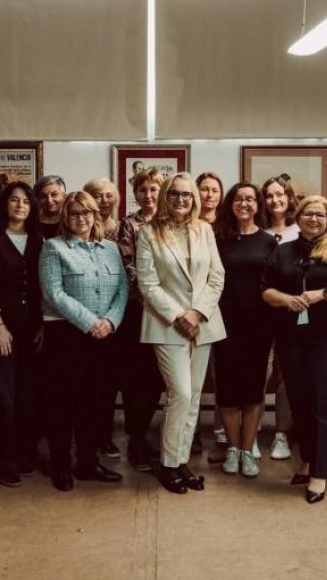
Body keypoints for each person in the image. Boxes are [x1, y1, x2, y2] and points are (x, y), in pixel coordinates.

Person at [262, 196, 327, 504]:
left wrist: (323, 294)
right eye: (308, 213)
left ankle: (319, 474)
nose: (314, 219)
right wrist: (285, 299)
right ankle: (308, 459)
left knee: (323, 406)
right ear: (298, 217)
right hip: (291, 339)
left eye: (320, 214)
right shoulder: (283, 251)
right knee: (299, 403)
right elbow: (265, 289)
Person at [137, 172, 225, 494]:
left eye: (187, 194)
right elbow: (147, 283)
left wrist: (197, 312)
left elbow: (216, 276)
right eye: (174, 193)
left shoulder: (205, 230)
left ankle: (181, 460)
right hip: (166, 324)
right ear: (165, 196)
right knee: (181, 394)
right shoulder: (149, 232)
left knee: (195, 396)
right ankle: (168, 464)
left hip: (203, 322)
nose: (181, 199)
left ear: (194, 199)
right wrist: (179, 315)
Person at [39, 191, 128, 492]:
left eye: (87, 212)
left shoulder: (111, 249)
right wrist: (91, 323)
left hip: (105, 336)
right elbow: (53, 293)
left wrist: (110, 321)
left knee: (95, 403)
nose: (81, 218)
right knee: (62, 404)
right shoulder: (53, 247)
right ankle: (61, 465)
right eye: (75, 213)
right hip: (67, 335)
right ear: (65, 217)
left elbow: (123, 289)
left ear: (95, 215)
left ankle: (88, 463)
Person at [0, 182, 43, 486]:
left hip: (32, 330)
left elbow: (44, 287)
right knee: (1, 397)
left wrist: (42, 326)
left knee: (28, 395)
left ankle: (22, 452)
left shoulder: (39, 240)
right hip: (1, 329)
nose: (20, 205)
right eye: (14, 200)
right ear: (5, 204)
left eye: (25, 201)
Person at [213, 182, 277, 478]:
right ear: (230, 204)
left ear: (258, 205)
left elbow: (274, 282)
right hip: (223, 324)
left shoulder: (268, 241)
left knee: (253, 391)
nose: (244, 203)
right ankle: (233, 448)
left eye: (250, 199)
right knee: (227, 390)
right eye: (238, 198)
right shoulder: (217, 238)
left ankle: (248, 450)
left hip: (259, 325)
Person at [117, 168, 165, 472]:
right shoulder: (129, 224)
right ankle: (136, 439)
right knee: (137, 377)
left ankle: (146, 432)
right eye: (142, 190)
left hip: (167, 312)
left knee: (158, 377)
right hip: (138, 309)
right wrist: (150, 296)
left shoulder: (171, 222)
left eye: (153, 189)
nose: (148, 195)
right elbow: (128, 265)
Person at [262, 175, 300, 461]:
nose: (275, 200)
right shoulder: (257, 231)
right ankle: (248, 432)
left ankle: (281, 433)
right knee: (259, 373)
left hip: (291, 314)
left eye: (280, 194)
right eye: (269, 195)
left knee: (287, 376)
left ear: (289, 197)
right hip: (260, 313)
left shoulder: (300, 230)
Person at [82, 177, 121, 458]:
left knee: (110, 381)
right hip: (87, 317)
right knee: (88, 382)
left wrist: (111, 318)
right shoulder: (79, 229)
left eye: (109, 195)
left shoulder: (122, 228)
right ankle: (86, 437)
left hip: (116, 315)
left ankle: (104, 435)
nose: (104, 200)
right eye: (97, 195)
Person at [195, 171, 227, 462]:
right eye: (203, 189)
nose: (209, 195)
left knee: (222, 376)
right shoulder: (188, 223)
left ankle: (221, 434)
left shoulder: (227, 225)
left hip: (223, 308)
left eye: (214, 190)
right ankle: (190, 431)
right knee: (191, 378)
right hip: (193, 310)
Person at [34, 175, 67, 239]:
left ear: (64, 196)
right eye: (43, 196)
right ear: (38, 199)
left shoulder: (70, 222)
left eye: (54, 194)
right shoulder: (32, 222)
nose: (49, 200)